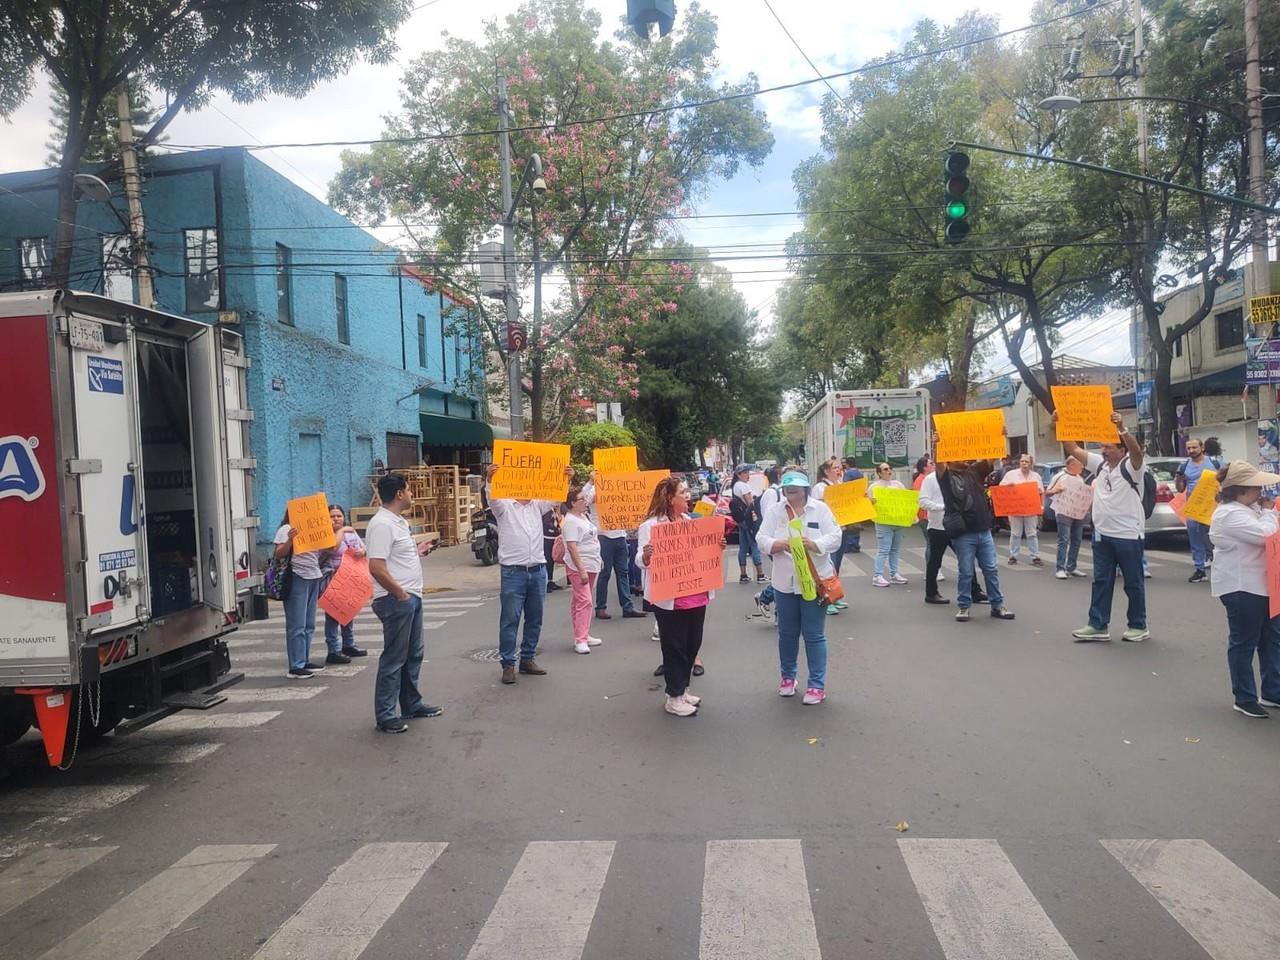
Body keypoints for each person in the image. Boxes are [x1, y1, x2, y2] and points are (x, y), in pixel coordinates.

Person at [756, 467, 842, 705]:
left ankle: (816, 685)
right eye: (786, 487)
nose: (790, 491)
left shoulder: (820, 509)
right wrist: (778, 544)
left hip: (814, 583)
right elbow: (761, 539)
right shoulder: (776, 511)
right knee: (787, 634)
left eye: (794, 487)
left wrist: (814, 544)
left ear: (805, 489)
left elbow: (836, 536)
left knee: (814, 635)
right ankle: (788, 678)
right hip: (784, 583)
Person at [1062, 412, 1150, 643]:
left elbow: (1137, 452)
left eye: (1109, 447)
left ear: (1122, 451)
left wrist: (1122, 428)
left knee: (1133, 583)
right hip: (1102, 535)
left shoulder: (1133, 467)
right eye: (1102, 447)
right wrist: (1060, 425)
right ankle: (1098, 625)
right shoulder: (1100, 465)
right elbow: (1073, 449)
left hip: (1128, 535)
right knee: (1101, 581)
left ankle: (1138, 625)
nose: (1104, 451)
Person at [365, 474, 442, 733]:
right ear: (399, 493)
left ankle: (411, 703)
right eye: (408, 490)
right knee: (394, 658)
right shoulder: (381, 524)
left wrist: (418, 550)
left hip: (411, 596)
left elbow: (396, 556)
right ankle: (386, 715)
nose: (411, 494)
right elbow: (376, 566)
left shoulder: (398, 522)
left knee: (413, 654)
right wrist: (399, 593)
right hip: (396, 600)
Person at [638, 475, 720, 717]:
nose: (688, 495)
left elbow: (702, 552)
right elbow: (640, 561)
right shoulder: (651, 526)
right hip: (669, 599)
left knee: (692, 643)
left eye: (687, 491)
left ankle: (682, 689)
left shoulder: (690, 521)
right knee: (674, 647)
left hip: (695, 593)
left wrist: (717, 545)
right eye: (682, 492)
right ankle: (673, 697)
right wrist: (646, 555)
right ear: (669, 498)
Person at [486, 463, 574, 683]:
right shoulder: (505, 506)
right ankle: (508, 664)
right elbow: (492, 499)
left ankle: (527, 658)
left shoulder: (537, 504)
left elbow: (557, 497)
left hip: (537, 570)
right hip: (513, 572)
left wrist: (566, 479)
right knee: (510, 619)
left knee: (535, 618)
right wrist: (490, 480)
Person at [1208, 460, 1280, 718]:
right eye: (1256, 487)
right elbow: (1266, 536)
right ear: (1241, 489)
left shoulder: (1249, 509)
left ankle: (1272, 690)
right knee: (1244, 641)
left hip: (1265, 584)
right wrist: (1272, 513)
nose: (1261, 492)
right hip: (1242, 586)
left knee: (1271, 639)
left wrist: (1268, 512)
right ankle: (1245, 696)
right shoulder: (1229, 514)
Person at [936, 459, 1015, 622]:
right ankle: (964, 606)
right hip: (964, 533)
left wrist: (1000, 436)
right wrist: (938, 446)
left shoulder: (974, 471)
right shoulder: (946, 477)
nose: (964, 458)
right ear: (950, 460)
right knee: (966, 572)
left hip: (984, 530)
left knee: (991, 570)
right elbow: (939, 464)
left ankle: (997, 605)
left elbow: (990, 456)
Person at [273, 507, 330, 680]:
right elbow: (279, 553)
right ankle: (296, 666)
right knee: (296, 623)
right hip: (297, 576)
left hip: (313, 576)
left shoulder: (311, 529)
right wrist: (291, 540)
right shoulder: (286, 529)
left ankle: (304, 660)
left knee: (308, 623)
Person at [582, 474, 646, 621]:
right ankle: (601, 607)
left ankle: (627, 607)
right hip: (604, 536)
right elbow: (583, 499)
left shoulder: (619, 489)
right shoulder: (594, 491)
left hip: (620, 535)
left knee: (623, 573)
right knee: (605, 573)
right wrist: (591, 482)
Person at [319, 505, 369, 664]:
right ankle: (333, 649)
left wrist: (362, 552)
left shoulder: (351, 533)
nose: (336, 519)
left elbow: (363, 548)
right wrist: (341, 531)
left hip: (350, 577)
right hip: (333, 577)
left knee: (348, 611)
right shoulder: (325, 534)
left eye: (338, 516)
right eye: (332, 516)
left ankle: (349, 644)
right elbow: (333, 548)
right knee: (333, 614)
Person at [561, 485, 603, 655]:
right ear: (572, 503)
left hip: (591, 563)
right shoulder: (570, 521)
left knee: (580, 600)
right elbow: (572, 547)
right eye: (581, 499)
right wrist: (581, 569)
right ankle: (580, 639)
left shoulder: (583, 517)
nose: (585, 501)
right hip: (580, 566)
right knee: (585, 601)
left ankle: (583, 633)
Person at [1176, 437, 1221, 583]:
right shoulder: (1183, 467)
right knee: (1195, 539)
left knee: (1213, 538)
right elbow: (1180, 489)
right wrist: (1179, 479)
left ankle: (1218, 566)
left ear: (1202, 448)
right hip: (1193, 508)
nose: (1191, 451)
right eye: (1188, 448)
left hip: (1212, 507)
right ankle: (1200, 569)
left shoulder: (1215, 462)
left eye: (1194, 447)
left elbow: (1226, 480)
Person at [811, 458, 850, 613]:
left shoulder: (840, 485)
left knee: (837, 564)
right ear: (826, 471)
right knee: (829, 565)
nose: (838, 470)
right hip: (827, 531)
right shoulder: (820, 488)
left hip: (842, 527)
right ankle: (826, 597)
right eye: (834, 468)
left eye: (839, 467)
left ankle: (835, 595)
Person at [1045, 457, 1089, 579]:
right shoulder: (1059, 476)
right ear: (1071, 465)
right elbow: (1047, 492)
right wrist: (1056, 490)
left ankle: (1072, 566)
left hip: (1077, 513)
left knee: (1077, 540)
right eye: (1080, 464)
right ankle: (1060, 568)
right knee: (1064, 539)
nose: (1082, 467)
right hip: (1063, 512)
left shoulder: (1080, 478)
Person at [867, 462, 908, 589]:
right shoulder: (874, 487)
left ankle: (894, 573)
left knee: (895, 549)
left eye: (890, 468)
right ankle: (877, 575)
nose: (889, 471)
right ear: (879, 473)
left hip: (898, 521)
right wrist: (871, 501)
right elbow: (867, 503)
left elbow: (907, 499)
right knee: (884, 549)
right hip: (883, 522)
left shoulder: (898, 484)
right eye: (885, 469)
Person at [1000, 454, 1045, 566]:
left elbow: (1041, 492)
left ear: (1031, 464)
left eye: (1027, 462)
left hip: (1031, 509)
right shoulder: (1011, 475)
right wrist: (1008, 486)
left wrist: (1042, 506)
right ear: (1019, 463)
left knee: (1032, 533)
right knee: (1015, 533)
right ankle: (1013, 556)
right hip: (1016, 509)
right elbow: (1001, 488)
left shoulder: (1036, 476)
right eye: (1022, 461)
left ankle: (1035, 557)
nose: (1024, 464)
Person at [729, 464, 766, 583]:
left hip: (740, 520)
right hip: (748, 519)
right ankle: (760, 575)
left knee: (743, 547)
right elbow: (750, 503)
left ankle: (743, 575)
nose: (747, 475)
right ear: (738, 474)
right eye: (745, 472)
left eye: (747, 472)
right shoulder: (743, 486)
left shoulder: (735, 486)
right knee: (754, 544)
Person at [841, 457, 864, 554]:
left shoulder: (848, 473)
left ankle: (850, 544)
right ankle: (855, 544)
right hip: (858, 498)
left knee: (850, 522)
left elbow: (845, 486)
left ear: (848, 464)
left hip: (850, 499)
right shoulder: (860, 473)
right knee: (856, 522)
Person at [542, 505, 563, 592]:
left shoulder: (555, 510)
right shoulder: (547, 510)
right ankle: (546, 583)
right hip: (547, 538)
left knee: (551, 561)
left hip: (554, 537)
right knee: (548, 561)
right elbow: (547, 524)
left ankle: (550, 580)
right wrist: (556, 529)